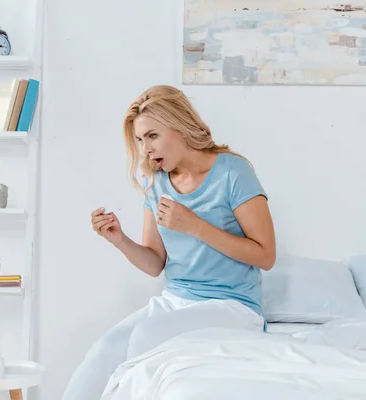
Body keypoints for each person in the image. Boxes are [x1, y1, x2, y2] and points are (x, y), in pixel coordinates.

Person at [62, 85, 276, 400]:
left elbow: (266, 255)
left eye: (152, 136)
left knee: (147, 336)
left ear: (179, 127)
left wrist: (195, 226)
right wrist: (120, 240)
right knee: (102, 353)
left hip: (232, 305)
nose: (145, 149)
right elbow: (154, 263)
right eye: (139, 140)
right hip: (175, 301)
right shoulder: (158, 182)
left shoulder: (233, 171)